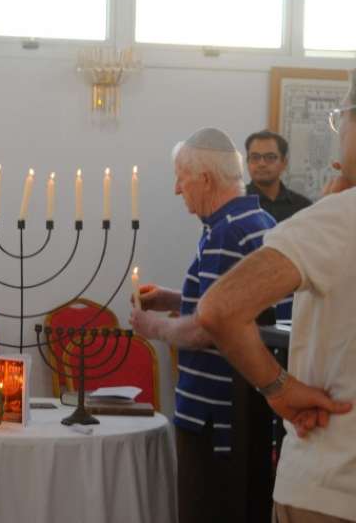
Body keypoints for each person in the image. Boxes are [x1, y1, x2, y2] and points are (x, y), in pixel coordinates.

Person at [197, 73, 356, 522]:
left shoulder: (337, 219)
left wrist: (279, 388)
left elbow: (220, 309)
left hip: (332, 482)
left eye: (340, 120)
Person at [129, 127, 277, 523]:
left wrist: (152, 327)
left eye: (181, 177)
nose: (178, 189)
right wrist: (173, 298)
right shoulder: (251, 218)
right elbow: (233, 306)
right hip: (236, 410)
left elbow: (208, 330)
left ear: (206, 179)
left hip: (218, 418)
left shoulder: (227, 233)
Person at [245, 130, 311, 223]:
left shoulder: (303, 207)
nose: (261, 164)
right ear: (247, 161)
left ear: (284, 163)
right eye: (255, 157)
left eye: (270, 157)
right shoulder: (236, 204)